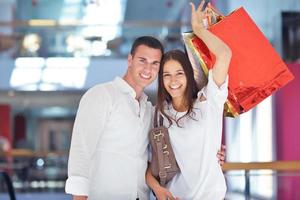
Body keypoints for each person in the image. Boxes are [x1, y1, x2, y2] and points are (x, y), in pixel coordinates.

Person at [65, 16, 226, 200]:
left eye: (155, 63)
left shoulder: (152, 112)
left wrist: (210, 152)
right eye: (142, 60)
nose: (147, 69)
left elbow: (154, 159)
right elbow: (81, 151)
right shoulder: (101, 95)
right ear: (130, 59)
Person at [146, 1, 232, 200]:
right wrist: (158, 190)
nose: (173, 81)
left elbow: (225, 54)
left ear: (189, 75)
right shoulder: (160, 114)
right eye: (166, 75)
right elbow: (151, 166)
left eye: (179, 73)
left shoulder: (208, 101)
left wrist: (199, 30)